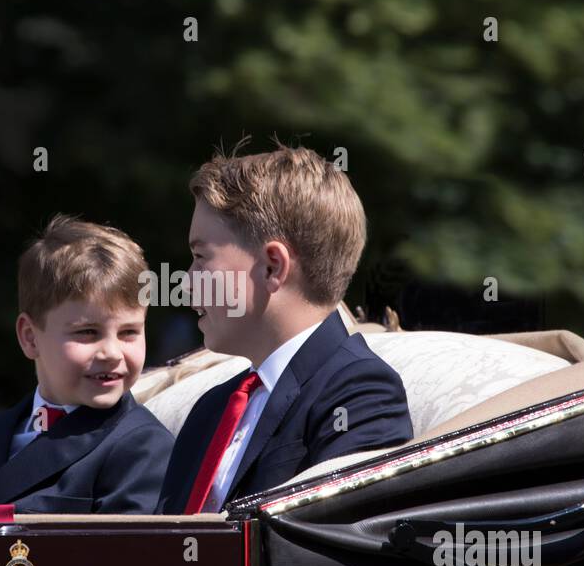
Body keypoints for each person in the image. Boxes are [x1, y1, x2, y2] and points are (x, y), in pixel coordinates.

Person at [156, 141, 413, 515]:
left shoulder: (360, 396)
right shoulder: (212, 410)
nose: (187, 282)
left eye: (200, 257)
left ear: (273, 266)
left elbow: (329, 554)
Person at [0, 216, 173, 515]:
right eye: (87, 332)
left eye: (129, 332)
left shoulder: (143, 446)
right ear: (30, 338)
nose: (111, 352)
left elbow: (126, 557)